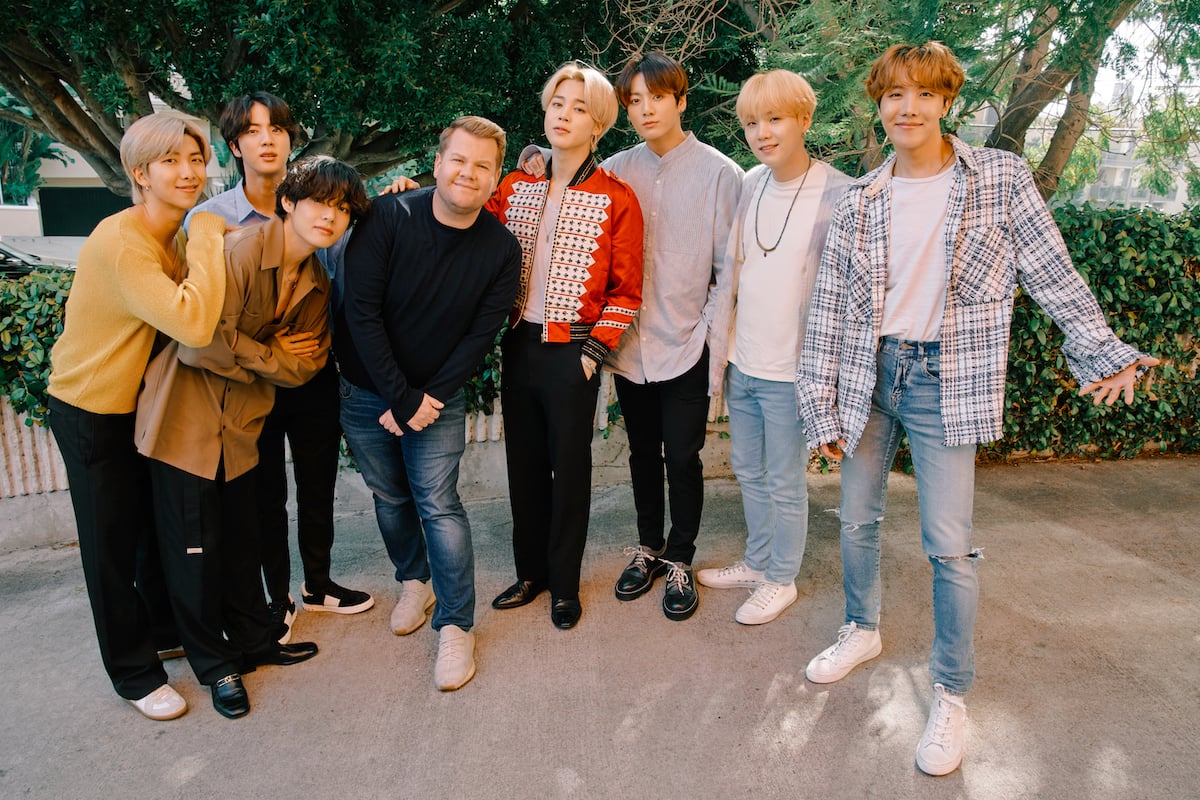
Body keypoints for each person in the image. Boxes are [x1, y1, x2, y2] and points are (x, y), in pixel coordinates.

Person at [795, 42, 1158, 776]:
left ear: (946, 102)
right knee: (856, 518)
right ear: (879, 104)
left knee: (949, 544)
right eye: (894, 95)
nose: (908, 107)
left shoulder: (998, 177)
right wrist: (821, 405)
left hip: (946, 379)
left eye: (924, 94)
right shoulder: (858, 198)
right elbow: (829, 308)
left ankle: (951, 691)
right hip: (869, 374)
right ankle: (861, 627)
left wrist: (1104, 350)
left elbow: (1052, 271)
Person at [135, 156, 364, 717]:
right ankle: (215, 666)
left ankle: (255, 642)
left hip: (242, 425)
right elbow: (197, 344)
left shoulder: (316, 282)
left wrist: (250, 352)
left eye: (341, 209)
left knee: (242, 542)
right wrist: (268, 353)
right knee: (196, 553)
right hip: (185, 421)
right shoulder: (236, 252)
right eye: (319, 201)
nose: (330, 216)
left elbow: (306, 366)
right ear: (287, 202)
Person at [46, 111, 227, 720]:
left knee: (148, 529)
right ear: (140, 173)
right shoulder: (124, 241)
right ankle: (133, 673)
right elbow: (193, 322)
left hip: (137, 408)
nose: (188, 172)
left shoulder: (168, 232)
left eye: (195, 159)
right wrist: (207, 236)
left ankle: (162, 632)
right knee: (110, 547)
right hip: (90, 409)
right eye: (170, 161)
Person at [337, 116, 521, 690]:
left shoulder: (501, 250)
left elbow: (479, 337)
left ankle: (457, 625)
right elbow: (360, 312)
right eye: (458, 160)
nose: (468, 172)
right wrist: (400, 397)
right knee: (390, 496)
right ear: (438, 163)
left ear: (496, 178)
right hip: (366, 390)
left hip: (437, 399)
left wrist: (427, 399)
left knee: (439, 504)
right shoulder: (387, 217)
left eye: (483, 165)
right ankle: (414, 581)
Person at [187, 92, 373, 642]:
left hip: (309, 372)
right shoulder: (212, 221)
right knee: (263, 491)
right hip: (245, 381)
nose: (266, 140)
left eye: (277, 129)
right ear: (235, 144)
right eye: (252, 130)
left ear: (293, 139)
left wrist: (402, 196)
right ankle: (277, 597)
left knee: (317, 483)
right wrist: (266, 346)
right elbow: (202, 324)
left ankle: (319, 583)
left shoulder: (325, 206)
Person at [487, 62, 643, 630]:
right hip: (518, 345)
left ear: (597, 124)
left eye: (579, 108)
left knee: (570, 472)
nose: (564, 115)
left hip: (571, 354)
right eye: (558, 103)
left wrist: (591, 354)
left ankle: (565, 584)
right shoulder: (515, 185)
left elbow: (626, 291)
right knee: (523, 467)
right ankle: (530, 573)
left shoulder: (616, 197)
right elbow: (468, 227)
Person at [694, 70, 851, 626]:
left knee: (784, 480)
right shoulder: (751, 182)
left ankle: (781, 578)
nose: (762, 132)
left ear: (804, 119)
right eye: (751, 122)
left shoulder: (840, 193)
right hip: (744, 360)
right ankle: (759, 562)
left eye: (775, 119)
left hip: (793, 369)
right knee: (747, 468)